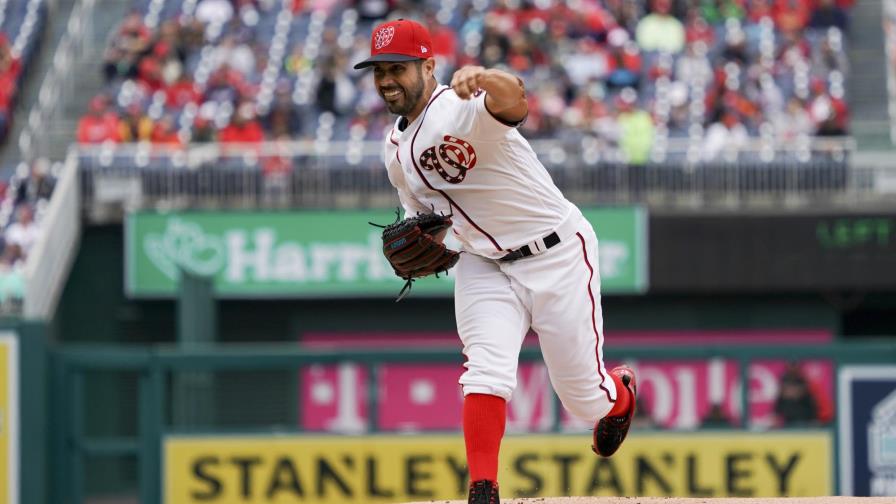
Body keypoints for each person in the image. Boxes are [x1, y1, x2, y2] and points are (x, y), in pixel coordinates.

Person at [354, 19, 638, 504]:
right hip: (482, 263)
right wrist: (421, 232)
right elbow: (419, 215)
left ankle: (623, 393)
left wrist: (485, 77)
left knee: (583, 397)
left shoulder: (460, 108)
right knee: (485, 371)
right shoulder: (393, 148)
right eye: (379, 71)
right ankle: (483, 488)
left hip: (556, 254)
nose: (386, 81)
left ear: (428, 65)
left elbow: (515, 102)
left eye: (397, 68)